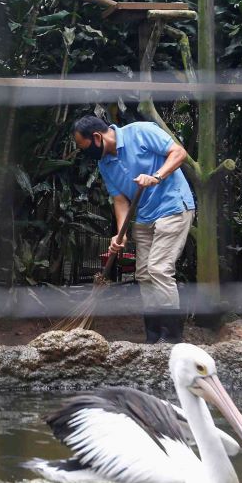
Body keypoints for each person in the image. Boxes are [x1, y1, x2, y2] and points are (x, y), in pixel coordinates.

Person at [72, 113, 194, 344]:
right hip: (145, 216)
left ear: (97, 137)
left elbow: (179, 153)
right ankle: (153, 337)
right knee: (144, 274)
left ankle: (173, 339)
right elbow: (120, 200)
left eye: (83, 146)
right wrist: (121, 234)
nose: (82, 152)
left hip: (173, 206)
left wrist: (156, 177)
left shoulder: (141, 131)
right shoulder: (104, 164)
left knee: (159, 269)